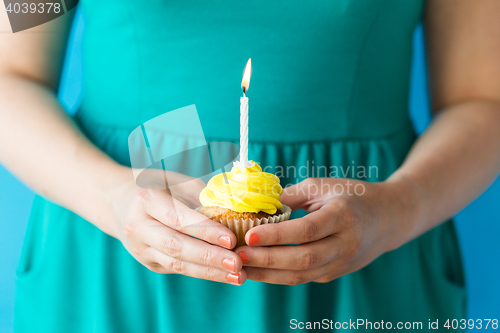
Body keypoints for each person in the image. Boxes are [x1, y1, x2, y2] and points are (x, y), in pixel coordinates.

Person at [1, 1, 500, 332]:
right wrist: (113, 198)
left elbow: (483, 98)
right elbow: (9, 73)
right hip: (108, 252)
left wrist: (397, 208)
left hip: (366, 245)